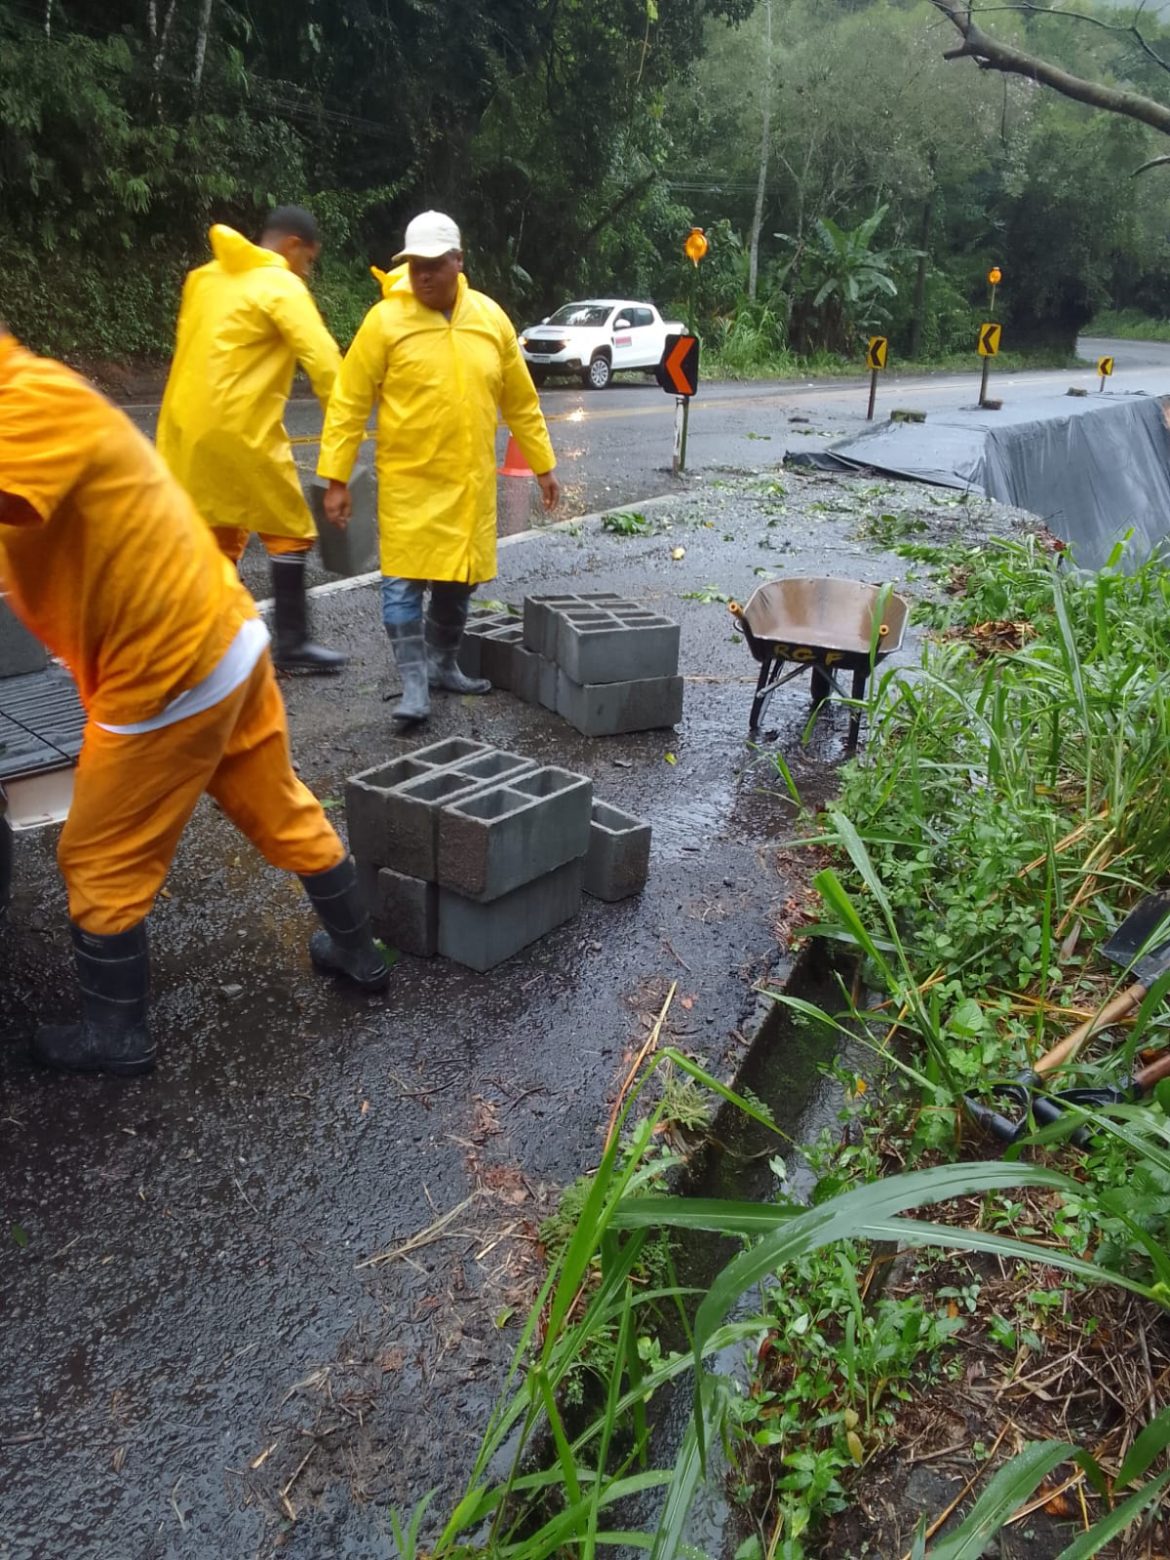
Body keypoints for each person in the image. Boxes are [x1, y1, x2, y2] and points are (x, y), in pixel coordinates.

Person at [0, 327, 391, 1078]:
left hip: (163, 663)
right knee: (277, 803)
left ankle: (116, 1037)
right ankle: (360, 953)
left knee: (97, 852)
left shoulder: (24, 402)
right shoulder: (31, 390)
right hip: (222, 636)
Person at [318, 211, 560, 722]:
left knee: (456, 582)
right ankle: (413, 686)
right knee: (402, 583)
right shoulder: (384, 322)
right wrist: (335, 478)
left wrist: (543, 466)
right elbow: (348, 401)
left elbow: (520, 400)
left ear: (457, 261)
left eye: (433, 264)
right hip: (409, 483)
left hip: (467, 486)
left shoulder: (490, 319)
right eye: (413, 265)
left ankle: (442, 664)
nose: (422, 274)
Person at [157, 205, 345, 674]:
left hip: (182, 433)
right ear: (293, 246)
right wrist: (344, 440)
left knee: (214, 537)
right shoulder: (282, 284)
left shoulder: (203, 278)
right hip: (243, 433)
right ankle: (293, 647)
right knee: (290, 532)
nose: (307, 270)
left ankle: (210, 646)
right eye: (309, 260)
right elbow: (324, 365)